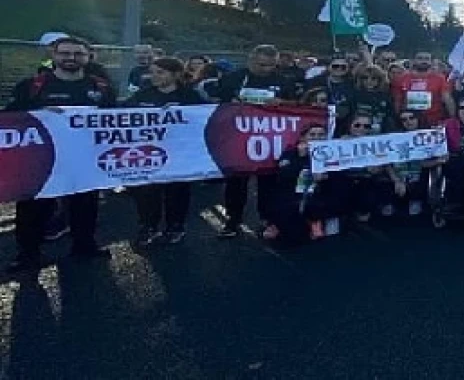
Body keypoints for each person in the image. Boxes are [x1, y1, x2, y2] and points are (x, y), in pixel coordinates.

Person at [5, 36, 116, 272]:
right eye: (65, 53)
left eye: (78, 54)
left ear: (88, 57)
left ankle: (84, 246)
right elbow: (10, 117)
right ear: (53, 55)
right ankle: (27, 254)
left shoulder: (101, 87)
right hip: (41, 160)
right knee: (33, 208)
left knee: (85, 205)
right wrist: (38, 112)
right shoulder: (32, 86)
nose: (71, 58)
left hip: (85, 158)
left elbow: (117, 118)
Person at [216, 45, 297, 239]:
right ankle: (233, 219)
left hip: (269, 138)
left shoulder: (283, 81)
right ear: (250, 60)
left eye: (271, 65)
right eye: (261, 64)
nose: (266, 69)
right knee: (236, 182)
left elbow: (296, 105)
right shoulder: (233, 78)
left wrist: (281, 103)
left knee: (268, 181)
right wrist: (232, 104)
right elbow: (215, 102)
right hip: (238, 138)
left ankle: (266, 217)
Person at [125, 57, 205, 246]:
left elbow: (206, 117)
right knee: (146, 191)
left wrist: (181, 113)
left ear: (176, 75)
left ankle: (175, 226)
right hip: (148, 152)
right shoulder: (143, 95)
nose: (154, 77)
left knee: (177, 191)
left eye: (160, 72)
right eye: (152, 72)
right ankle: (148, 226)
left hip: (180, 153)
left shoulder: (190, 96)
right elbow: (120, 115)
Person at [262, 123, 333, 244]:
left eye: (321, 135)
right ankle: (276, 224)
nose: (317, 137)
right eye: (312, 134)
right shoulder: (290, 152)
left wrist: (326, 176)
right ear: (303, 137)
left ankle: (315, 221)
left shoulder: (330, 153)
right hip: (291, 196)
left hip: (317, 195)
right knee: (292, 237)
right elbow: (283, 175)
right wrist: (300, 158)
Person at [392, 51, 455, 126]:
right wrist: (397, 119)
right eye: (420, 58)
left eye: (427, 59)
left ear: (431, 62)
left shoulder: (440, 78)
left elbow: (447, 99)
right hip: (410, 122)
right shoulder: (402, 78)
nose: (423, 61)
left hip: (434, 121)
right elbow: (397, 101)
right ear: (413, 61)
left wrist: (453, 119)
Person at [351, 65, 395, 134]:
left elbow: (390, 116)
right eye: (365, 78)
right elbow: (350, 117)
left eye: (373, 78)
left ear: (379, 80)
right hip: (358, 132)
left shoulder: (386, 96)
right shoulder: (355, 95)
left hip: (380, 133)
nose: (369, 81)